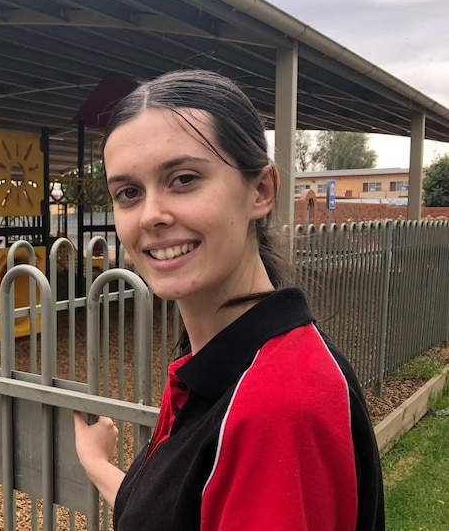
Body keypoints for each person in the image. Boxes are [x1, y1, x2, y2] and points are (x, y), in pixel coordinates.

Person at [73, 70, 384, 530]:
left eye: (182, 179)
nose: (152, 215)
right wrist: (97, 462)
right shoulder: (218, 365)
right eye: (128, 193)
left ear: (260, 191)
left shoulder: (275, 408)